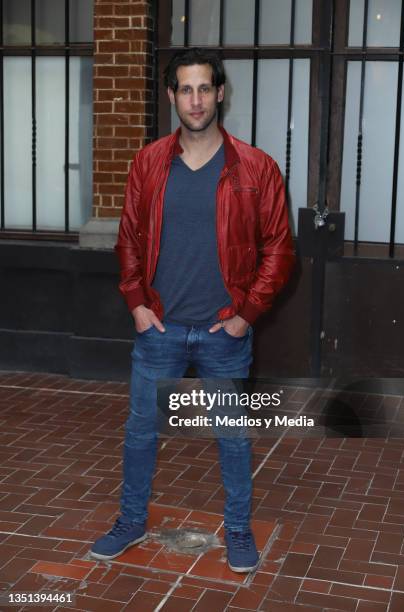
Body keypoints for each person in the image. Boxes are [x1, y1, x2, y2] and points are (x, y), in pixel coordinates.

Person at [91, 47, 295, 572]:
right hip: (159, 326)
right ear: (171, 96)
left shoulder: (256, 168)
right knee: (140, 431)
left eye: (205, 87)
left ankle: (239, 530)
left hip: (223, 331)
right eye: (186, 88)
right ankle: (131, 520)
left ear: (220, 92)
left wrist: (245, 315)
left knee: (231, 436)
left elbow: (278, 250)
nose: (196, 99)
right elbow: (129, 240)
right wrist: (136, 303)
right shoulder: (148, 163)